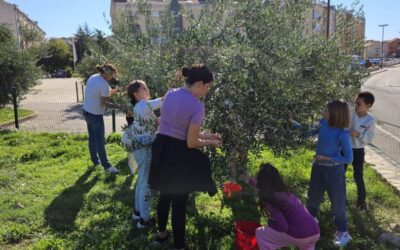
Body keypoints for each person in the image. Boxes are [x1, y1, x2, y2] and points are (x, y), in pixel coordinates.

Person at [148, 64, 222, 250]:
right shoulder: (197, 106)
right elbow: (190, 142)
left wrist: (206, 136)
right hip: (178, 155)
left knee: (165, 195)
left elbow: (178, 127)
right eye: (207, 87)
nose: (206, 91)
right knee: (179, 202)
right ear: (199, 84)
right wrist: (211, 142)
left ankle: (162, 234)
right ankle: (179, 246)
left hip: (161, 147)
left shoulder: (171, 94)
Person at [306, 100, 353, 247]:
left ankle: (344, 233)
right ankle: (311, 221)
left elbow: (348, 158)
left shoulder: (342, 133)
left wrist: (327, 157)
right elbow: (308, 132)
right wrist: (293, 123)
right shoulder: (323, 123)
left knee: (338, 204)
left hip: (334, 171)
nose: (323, 112)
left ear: (335, 114)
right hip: (318, 168)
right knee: (313, 197)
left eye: (326, 110)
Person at [124, 80, 163, 228]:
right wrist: (173, 94)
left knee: (141, 181)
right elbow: (161, 101)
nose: (147, 90)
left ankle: (137, 212)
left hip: (139, 147)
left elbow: (152, 123)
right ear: (136, 93)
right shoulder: (142, 105)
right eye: (144, 88)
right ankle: (144, 220)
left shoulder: (140, 107)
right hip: (145, 148)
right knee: (146, 183)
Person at [255, 163, 320, 250]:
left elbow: (284, 226)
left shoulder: (270, 199)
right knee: (306, 244)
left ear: (261, 184)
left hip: (300, 235)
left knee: (260, 233)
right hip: (314, 231)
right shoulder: (285, 191)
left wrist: (271, 223)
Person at [82, 63, 119, 173]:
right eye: (112, 74)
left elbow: (104, 94)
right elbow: (105, 103)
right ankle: (107, 167)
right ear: (107, 73)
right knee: (100, 141)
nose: (112, 77)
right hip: (95, 115)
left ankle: (95, 161)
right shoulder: (103, 84)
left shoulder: (93, 77)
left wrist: (117, 91)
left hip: (86, 111)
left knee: (92, 138)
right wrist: (119, 107)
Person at [346, 91, 376, 210]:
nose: (356, 106)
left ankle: (361, 201)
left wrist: (358, 135)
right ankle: (339, 199)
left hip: (358, 151)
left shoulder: (371, 120)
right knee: (339, 174)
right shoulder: (351, 112)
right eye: (355, 103)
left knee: (358, 175)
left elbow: (369, 139)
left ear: (368, 106)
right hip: (345, 148)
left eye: (359, 104)